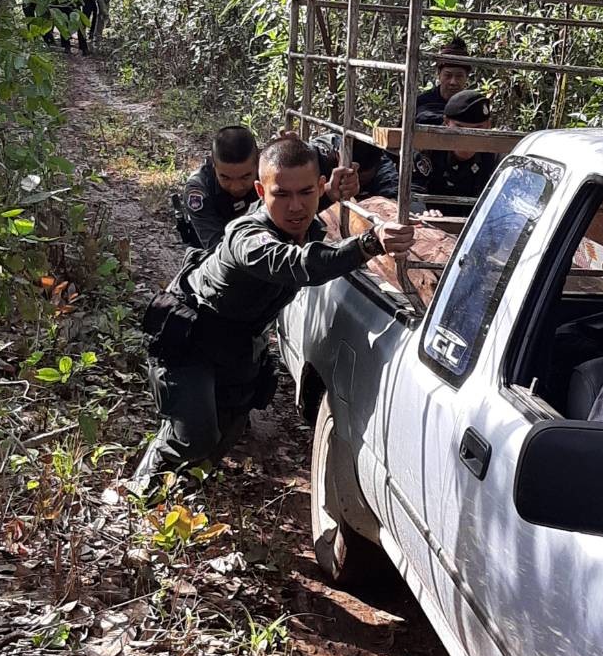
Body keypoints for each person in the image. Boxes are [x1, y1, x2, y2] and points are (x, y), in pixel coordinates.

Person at [130, 134, 413, 493]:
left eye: (306, 193)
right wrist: (370, 242)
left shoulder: (305, 225)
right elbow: (298, 264)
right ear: (261, 193)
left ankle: (181, 501)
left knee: (224, 437)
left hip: (238, 344)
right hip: (192, 342)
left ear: (320, 188)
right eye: (282, 195)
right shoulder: (247, 237)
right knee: (194, 437)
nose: (296, 206)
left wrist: (336, 199)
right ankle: (141, 493)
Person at [175, 128, 360, 252]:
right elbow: (218, 248)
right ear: (212, 165)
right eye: (226, 178)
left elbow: (293, 206)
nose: (236, 186)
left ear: (257, 163)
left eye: (245, 177)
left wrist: (329, 192)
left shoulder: (268, 172)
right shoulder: (199, 190)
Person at [413, 88, 497, 215]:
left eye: (477, 129)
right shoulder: (429, 149)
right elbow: (413, 190)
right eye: (460, 127)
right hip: (432, 223)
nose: (468, 136)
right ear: (446, 122)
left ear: (488, 125)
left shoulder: (497, 154)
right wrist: (423, 211)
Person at [415, 36, 472, 122]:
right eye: (448, 75)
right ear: (438, 73)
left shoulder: (473, 105)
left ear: (467, 76)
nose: (453, 82)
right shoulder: (421, 102)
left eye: (459, 76)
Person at [351, 137, 399, 202]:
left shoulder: (387, 176)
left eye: (362, 179)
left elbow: (391, 201)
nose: (357, 179)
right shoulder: (335, 160)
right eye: (353, 173)